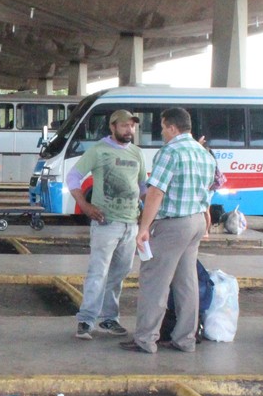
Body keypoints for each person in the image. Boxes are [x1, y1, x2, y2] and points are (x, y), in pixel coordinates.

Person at [122, 107, 217, 354]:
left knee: (155, 281)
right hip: (196, 221)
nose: (162, 132)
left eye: (163, 127)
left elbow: (155, 192)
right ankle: (185, 339)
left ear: (172, 128)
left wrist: (144, 228)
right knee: (187, 283)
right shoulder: (204, 153)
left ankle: (145, 339)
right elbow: (208, 191)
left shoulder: (170, 151)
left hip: (173, 224)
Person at [67, 110, 147, 340]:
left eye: (132, 126)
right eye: (124, 126)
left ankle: (109, 318)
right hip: (106, 223)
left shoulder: (137, 153)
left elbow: (142, 188)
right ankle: (86, 320)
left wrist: (147, 216)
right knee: (98, 273)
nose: (129, 130)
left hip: (130, 224)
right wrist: (84, 204)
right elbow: (73, 177)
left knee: (119, 274)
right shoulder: (98, 151)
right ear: (112, 127)